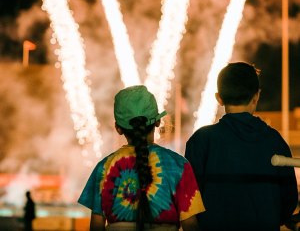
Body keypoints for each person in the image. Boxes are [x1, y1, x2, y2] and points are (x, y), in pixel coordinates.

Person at [185, 62, 298, 231]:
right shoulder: (276, 141)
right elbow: (288, 201)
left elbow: (189, 201)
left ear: (219, 98)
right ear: (256, 96)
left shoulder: (201, 141)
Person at [78, 85, 205, 231]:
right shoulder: (178, 165)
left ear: (118, 128)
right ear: (157, 122)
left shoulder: (104, 167)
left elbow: (96, 224)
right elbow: (191, 225)